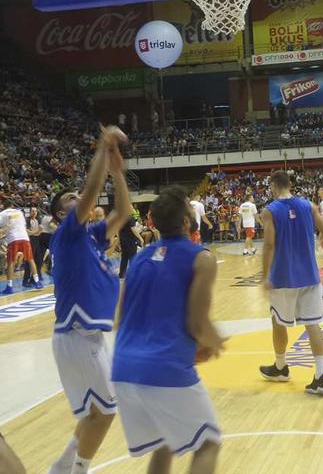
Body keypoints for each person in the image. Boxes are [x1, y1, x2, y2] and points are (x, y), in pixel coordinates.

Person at [112, 186, 225, 473]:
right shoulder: (201, 257)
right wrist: (214, 341)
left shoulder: (139, 259)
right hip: (164, 367)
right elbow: (197, 323)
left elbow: (119, 319)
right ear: (186, 221)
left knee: (164, 444)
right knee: (208, 444)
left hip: (123, 369)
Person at [48, 126, 131, 474]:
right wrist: (103, 148)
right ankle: (78, 469)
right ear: (60, 214)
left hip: (88, 337)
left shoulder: (92, 237)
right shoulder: (67, 234)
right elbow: (92, 192)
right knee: (106, 411)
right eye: (70, 198)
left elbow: (123, 212)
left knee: (94, 413)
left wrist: (117, 174)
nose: (77, 197)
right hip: (77, 335)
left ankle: (61, 468)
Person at [259, 171, 323, 394]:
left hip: (283, 277)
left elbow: (269, 245)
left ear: (273, 186)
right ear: (290, 184)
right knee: (313, 325)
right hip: (309, 277)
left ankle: (281, 367)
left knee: (278, 321)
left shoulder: (269, 211)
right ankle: (321, 377)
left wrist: (264, 275)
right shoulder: (309, 206)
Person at [0, 200, 42, 294]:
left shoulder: (2, 214)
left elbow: (2, 230)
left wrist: (5, 228)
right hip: (24, 238)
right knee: (31, 260)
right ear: (12, 206)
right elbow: (22, 225)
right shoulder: (19, 212)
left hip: (13, 239)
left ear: (3, 206)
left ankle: (9, 287)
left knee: (11, 262)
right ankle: (37, 282)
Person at [118, 212, 144, 279]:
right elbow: (134, 230)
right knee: (133, 257)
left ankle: (121, 274)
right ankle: (134, 275)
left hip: (122, 240)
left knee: (124, 257)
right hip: (130, 240)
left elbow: (118, 230)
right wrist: (141, 238)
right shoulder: (130, 218)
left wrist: (119, 240)